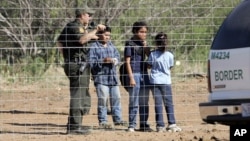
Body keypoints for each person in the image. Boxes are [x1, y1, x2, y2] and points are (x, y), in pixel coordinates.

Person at [57, 6, 106, 134]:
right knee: (78, 95)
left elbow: (60, 42)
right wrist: (95, 30)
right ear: (82, 15)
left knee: (82, 94)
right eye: (89, 15)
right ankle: (74, 127)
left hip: (79, 64)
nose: (90, 17)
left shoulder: (77, 27)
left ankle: (74, 124)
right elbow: (82, 39)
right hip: (76, 65)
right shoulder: (74, 26)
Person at [88, 26, 127, 128]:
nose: (108, 37)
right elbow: (91, 62)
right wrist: (103, 61)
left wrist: (115, 61)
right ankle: (103, 121)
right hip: (101, 78)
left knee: (116, 98)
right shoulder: (93, 47)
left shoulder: (111, 46)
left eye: (109, 35)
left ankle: (117, 119)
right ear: (99, 35)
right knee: (103, 99)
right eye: (105, 35)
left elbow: (118, 57)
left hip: (113, 77)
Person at [147, 32, 182, 132]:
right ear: (167, 42)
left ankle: (160, 125)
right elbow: (170, 67)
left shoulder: (153, 54)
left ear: (156, 43)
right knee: (169, 103)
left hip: (154, 81)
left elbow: (149, 66)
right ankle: (172, 123)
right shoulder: (170, 55)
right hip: (166, 81)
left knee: (158, 104)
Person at [124, 21, 152, 132]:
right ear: (135, 31)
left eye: (145, 32)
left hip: (144, 74)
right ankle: (132, 124)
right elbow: (127, 61)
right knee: (134, 100)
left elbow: (150, 56)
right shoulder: (130, 43)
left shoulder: (143, 43)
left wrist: (146, 47)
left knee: (144, 100)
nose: (144, 34)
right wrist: (131, 77)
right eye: (141, 32)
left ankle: (144, 123)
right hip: (134, 73)